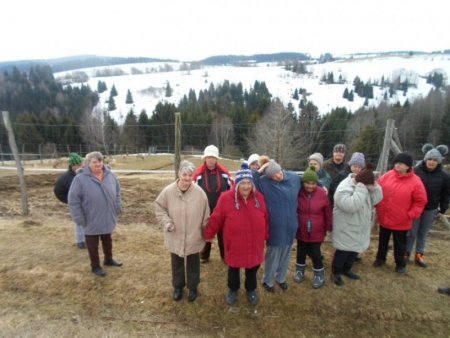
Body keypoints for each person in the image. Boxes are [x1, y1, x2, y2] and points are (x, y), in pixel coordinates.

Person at [204, 163, 269, 305]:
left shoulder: (259, 198)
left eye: (249, 183)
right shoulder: (226, 198)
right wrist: (208, 234)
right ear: (237, 184)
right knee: (233, 269)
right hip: (234, 244)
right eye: (242, 183)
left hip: (254, 244)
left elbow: (266, 219)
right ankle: (233, 289)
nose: (246, 186)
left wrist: (266, 236)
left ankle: (251, 289)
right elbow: (216, 218)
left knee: (252, 270)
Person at [155, 160, 210, 302]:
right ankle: (178, 287)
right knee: (176, 262)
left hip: (194, 236)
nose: (187, 178)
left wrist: (206, 233)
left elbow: (206, 216)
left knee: (193, 263)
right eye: (184, 174)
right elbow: (159, 209)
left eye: (190, 175)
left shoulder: (200, 194)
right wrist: (167, 223)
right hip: (175, 235)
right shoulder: (168, 191)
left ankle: (193, 287)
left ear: (193, 176)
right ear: (179, 173)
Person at [68, 151, 123, 277]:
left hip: (107, 215)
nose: (98, 164)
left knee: (107, 240)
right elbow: (73, 200)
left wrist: (118, 206)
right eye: (95, 162)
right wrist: (78, 218)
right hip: (90, 217)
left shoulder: (110, 175)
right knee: (92, 244)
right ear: (88, 163)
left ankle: (108, 259)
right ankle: (95, 266)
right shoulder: (80, 178)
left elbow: (118, 191)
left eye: (100, 161)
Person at [373, 152, 427, 274]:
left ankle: (400, 264)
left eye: (400, 163)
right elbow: (377, 190)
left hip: (401, 219)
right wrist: (376, 204)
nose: (397, 165)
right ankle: (380, 258)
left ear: (408, 166)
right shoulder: (387, 175)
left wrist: (411, 214)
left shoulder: (416, 181)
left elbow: (421, 201)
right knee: (382, 240)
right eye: (396, 162)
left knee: (400, 244)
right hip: (385, 216)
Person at [253, 159, 301, 292]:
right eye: (273, 176)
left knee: (286, 253)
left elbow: (310, 179)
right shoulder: (265, 183)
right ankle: (267, 280)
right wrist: (261, 169)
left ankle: (281, 278)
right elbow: (251, 180)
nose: (277, 176)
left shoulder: (294, 178)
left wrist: (321, 184)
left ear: (281, 169)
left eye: (278, 173)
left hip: (291, 224)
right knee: (273, 254)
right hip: (275, 226)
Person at [331, 163, 383, 286]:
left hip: (360, 225)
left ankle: (347, 269)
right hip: (346, 226)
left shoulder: (365, 186)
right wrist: (361, 188)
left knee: (354, 250)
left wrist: (375, 188)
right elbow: (351, 206)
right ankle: (336, 272)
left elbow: (376, 200)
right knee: (343, 251)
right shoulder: (344, 187)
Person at [406, 144, 450, 267]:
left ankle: (419, 257)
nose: (431, 162)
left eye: (435, 160)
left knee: (423, 234)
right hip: (415, 207)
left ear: (439, 161)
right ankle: (406, 254)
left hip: (430, 209)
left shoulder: (445, 176)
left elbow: (446, 194)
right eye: (430, 159)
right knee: (411, 233)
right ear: (425, 159)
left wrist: (443, 209)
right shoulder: (415, 171)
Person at [194, 145, 233, 263]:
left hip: (222, 211)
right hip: (205, 210)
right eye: (208, 157)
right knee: (206, 233)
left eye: (213, 157)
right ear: (205, 158)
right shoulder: (198, 174)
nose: (211, 160)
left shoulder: (224, 173)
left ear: (217, 159)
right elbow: (192, 192)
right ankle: (204, 256)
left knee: (224, 235)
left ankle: (225, 256)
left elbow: (232, 188)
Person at [294, 166, 332, 288]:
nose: (310, 186)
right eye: (307, 183)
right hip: (301, 229)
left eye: (313, 183)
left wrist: (328, 227)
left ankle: (319, 273)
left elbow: (327, 212)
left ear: (317, 183)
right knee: (301, 251)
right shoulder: (298, 192)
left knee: (315, 253)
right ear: (303, 182)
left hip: (317, 230)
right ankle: (299, 270)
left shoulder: (322, 193)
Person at [54, 152, 85, 249]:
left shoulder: (78, 173)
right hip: (67, 196)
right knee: (79, 219)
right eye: (79, 164)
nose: (82, 166)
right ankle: (81, 241)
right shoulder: (70, 178)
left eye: (82, 163)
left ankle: (87, 237)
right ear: (73, 165)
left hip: (72, 195)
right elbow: (77, 192)